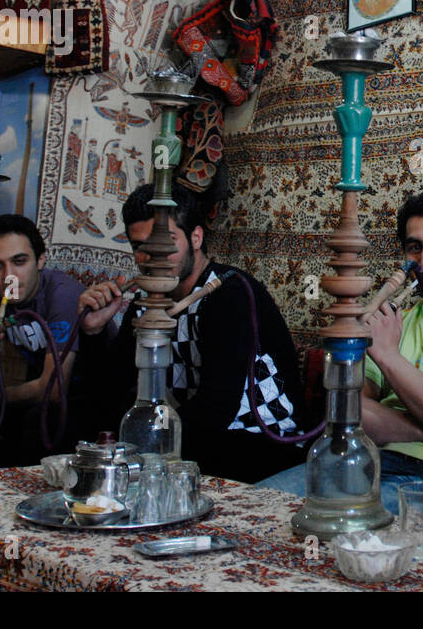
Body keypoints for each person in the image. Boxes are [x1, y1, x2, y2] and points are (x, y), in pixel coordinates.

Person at [259, 190, 423, 515]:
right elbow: (349, 410)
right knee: (259, 505)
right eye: (415, 247)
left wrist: (389, 358)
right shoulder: (396, 320)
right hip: (368, 462)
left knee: (339, 527)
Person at [77, 184, 303, 483]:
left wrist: (145, 451)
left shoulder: (229, 293)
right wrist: (93, 332)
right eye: (140, 247)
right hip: (191, 439)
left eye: (166, 244)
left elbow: (216, 410)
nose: (151, 258)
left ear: (196, 237)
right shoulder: (148, 302)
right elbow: (110, 391)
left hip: (260, 441)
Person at [0, 214, 100, 466]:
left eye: (19, 261)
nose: (9, 276)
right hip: (46, 387)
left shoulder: (61, 295)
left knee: (35, 421)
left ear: (40, 260)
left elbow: (53, 391)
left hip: (92, 395)